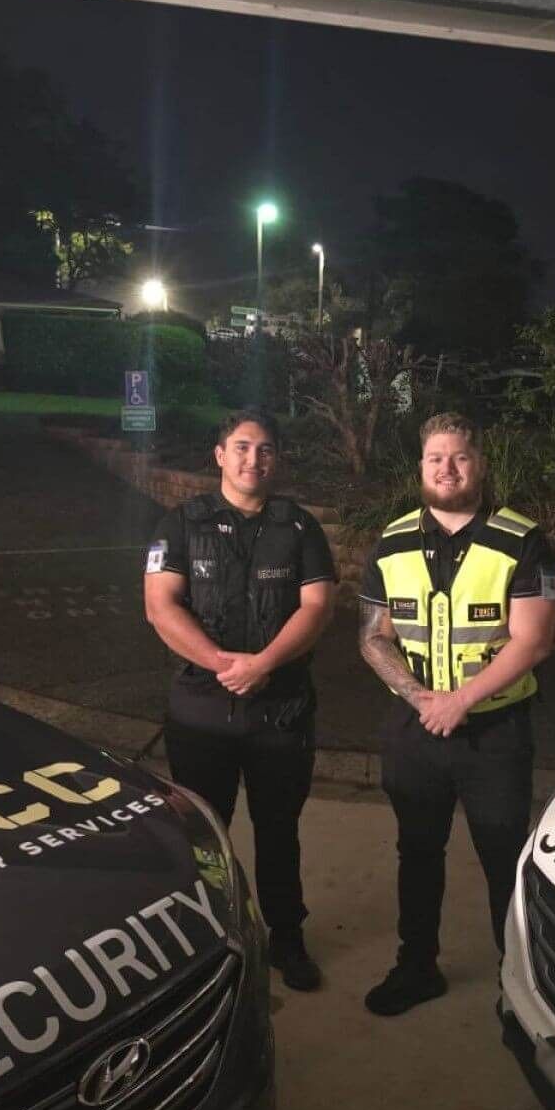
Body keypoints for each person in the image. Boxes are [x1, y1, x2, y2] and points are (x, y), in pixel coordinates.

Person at [357, 412, 555, 1016]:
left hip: (494, 732)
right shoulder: (390, 541)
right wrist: (424, 702)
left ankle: (518, 986)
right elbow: (372, 637)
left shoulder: (522, 539)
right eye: (434, 458)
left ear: (480, 464)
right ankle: (416, 967)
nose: (446, 468)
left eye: (460, 457)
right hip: (415, 729)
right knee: (417, 852)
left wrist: (460, 702)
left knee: (504, 859)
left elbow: (534, 640)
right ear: (420, 466)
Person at [142, 408, 337, 990]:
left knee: (280, 831)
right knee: (204, 835)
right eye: (243, 447)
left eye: (267, 449)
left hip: (280, 713)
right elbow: (160, 606)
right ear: (220, 455)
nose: (255, 459)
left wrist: (264, 665)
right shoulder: (179, 524)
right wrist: (225, 665)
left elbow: (317, 607)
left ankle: (287, 939)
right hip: (202, 712)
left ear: (276, 461)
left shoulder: (299, 528)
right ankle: (208, 935)